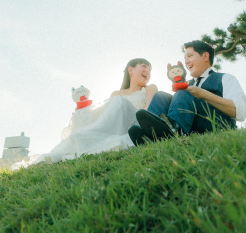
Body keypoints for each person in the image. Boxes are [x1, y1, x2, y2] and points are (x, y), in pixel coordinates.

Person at [13, 58, 157, 168]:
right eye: (144, 67)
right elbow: (108, 115)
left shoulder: (150, 88)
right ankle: (83, 137)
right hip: (115, 124)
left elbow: (148, 111)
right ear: (131, 70)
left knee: (119, 102)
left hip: (134, 122)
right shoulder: (116, 93)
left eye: (150, 70)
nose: (148, 72)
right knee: (81, 131)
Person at [129, 40, 246, 145]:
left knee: (183, 93)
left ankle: (174, 131)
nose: (186, 62)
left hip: (216, 125)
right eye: (185, 58)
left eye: (190, 56)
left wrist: (204, 95)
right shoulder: (189, 83)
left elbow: (240, 111)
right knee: (161, 96)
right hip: (192, 127)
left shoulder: (225, 78)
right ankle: (149, 134)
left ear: (205, 56)